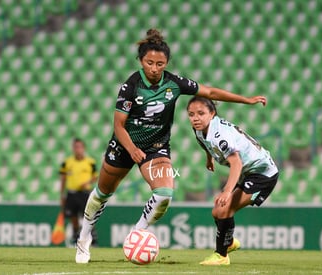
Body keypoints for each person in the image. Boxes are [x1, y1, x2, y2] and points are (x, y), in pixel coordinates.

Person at [75, 29, 267, 263]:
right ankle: (84, 239)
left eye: (160, 63)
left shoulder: (174, 83)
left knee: (164, 194)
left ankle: (137, 233)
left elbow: (210, 91)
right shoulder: (131, 86)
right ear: (141, 61)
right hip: (124, 145)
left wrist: (245, 100)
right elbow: (118, 125)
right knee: (102, 193)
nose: (155, 68)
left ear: (166, 63)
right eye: (149, 63)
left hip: (156, 147)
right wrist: (133, 149)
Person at [186, 96, 279, 266]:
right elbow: (202, 141)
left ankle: (221, 255)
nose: (196, 118)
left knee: (224, 209)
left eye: (201, 113)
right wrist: (209, 158)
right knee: (217, 212)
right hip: (248, 172)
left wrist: (227, 191)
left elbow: (236, 162)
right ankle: (228, 243)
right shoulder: (199, 129)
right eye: (191, 114)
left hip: (262, 174)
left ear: (212, 113)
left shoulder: (219, 135)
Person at [59, 138, 98, 244]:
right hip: (72, 193)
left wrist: (87, 182)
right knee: (73, 216)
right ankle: (76, 234)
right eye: (76, 147)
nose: (78, 149)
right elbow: (63, 179)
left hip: (85, 193)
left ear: (84, 148)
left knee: (88, 215)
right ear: (73, 148)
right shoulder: (67, 163)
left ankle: (92, 236)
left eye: (80, 147)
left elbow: (96, 176)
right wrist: (62, 194)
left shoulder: (90, 162)